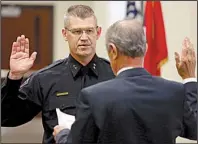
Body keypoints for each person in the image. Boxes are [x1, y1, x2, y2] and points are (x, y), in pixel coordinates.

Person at [53, 19, 197, 144]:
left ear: (112, 51)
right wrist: (189, 79)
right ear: (145, 49)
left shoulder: (93, 97)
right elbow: (194, 130)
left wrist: (62, 134)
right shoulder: (174, 92)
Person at [1, 5, 115, 143]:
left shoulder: (115, 75)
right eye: (77, 31)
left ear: (98, 32)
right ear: (65, 34)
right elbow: (6, 117)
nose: (84, 37)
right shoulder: (45, 78)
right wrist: (14, 77)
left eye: (89, 30)